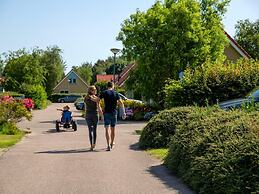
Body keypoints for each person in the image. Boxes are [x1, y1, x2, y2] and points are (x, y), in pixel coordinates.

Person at [99, 82, 126, 151]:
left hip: (106, 113)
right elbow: (121, 103)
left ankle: (108, 145)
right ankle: (111, 143)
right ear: (113, 86)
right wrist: (123, 113)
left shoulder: (104, 92)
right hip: (114, 113)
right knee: (113, 129)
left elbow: (97, 100)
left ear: (107, 86)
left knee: (106, 129)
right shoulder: (116, 93)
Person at [84, 86, 103, 151]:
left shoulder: (87, 97)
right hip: (92, 114)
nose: (96, 91)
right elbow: (94, 100)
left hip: (91, 114)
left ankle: (93, 144)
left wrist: (101, 115)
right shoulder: (88, 97)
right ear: (91, 90)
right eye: (95, 90)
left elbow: (99, 107)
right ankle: (92, 144)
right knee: (92, 130)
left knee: (93, 130)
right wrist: (98, 99)